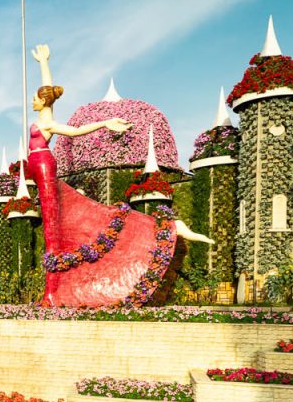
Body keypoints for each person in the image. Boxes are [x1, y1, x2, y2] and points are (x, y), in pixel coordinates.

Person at [28, 43, 206, 307]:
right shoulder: (46, 113)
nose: (32, 100)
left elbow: (75, 131)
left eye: (36, 97)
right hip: (40, 168)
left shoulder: (48, 123)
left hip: (44, 167)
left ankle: (52, 293)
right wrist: (43, 63)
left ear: (42, 101)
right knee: (61, 228)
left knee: (54, 233)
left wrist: (104, 122)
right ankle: (52, 292)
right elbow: (50, 93)